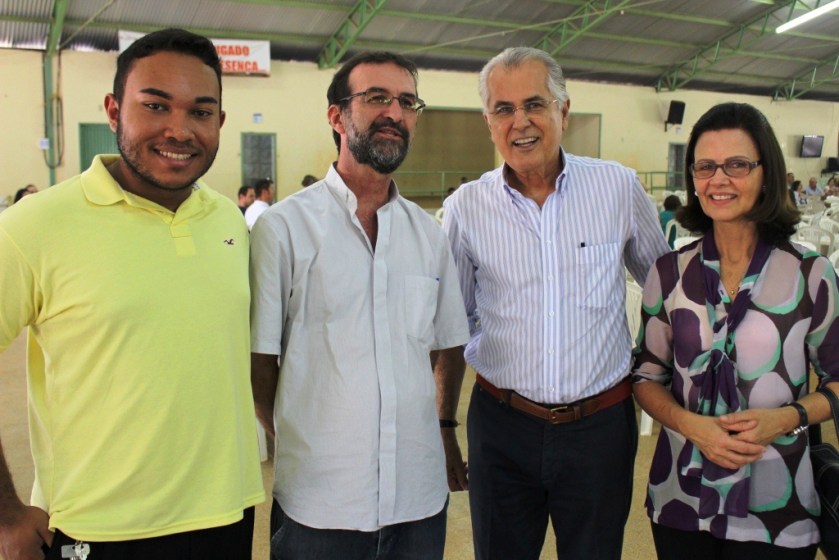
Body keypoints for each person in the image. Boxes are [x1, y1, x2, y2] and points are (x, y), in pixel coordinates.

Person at [0, 28, 264, 560]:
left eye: (200, 112)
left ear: (219, 123)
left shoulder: (227, 221)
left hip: (226, 515)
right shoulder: (35, 226)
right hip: (98, 527)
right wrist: (6, 514)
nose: (179, 130)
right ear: (113, 110)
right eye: (155, 106)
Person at [438, 47, 670, 560]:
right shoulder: (465, 209)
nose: (520, 122)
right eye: (503, 109)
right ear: (489, 123)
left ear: (564, 111)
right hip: (502, 427)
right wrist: (445, 425)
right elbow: (449, 329)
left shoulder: (617, 188)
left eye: (534, 104)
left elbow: (666, 292)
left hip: (599, 429)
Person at [249, 51, 470, 560]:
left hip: (417, 499)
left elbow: (446, 344)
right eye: (376, 98)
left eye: (407, 102)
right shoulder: (284, 229)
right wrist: (306, 437)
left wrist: (443, 427)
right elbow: (260, 363)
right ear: (336, 116)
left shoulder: (427, 235)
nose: (395, 112)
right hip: (319, 503)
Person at [632, 102, 839, 559]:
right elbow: (647, 377)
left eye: (737, 165)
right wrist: (692, 426)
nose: (718, 179)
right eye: (705, 166)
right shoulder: (669, 273)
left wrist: (785, 419)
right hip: (682, 496)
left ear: (767, 173)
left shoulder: (810, 274)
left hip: (777, 497)